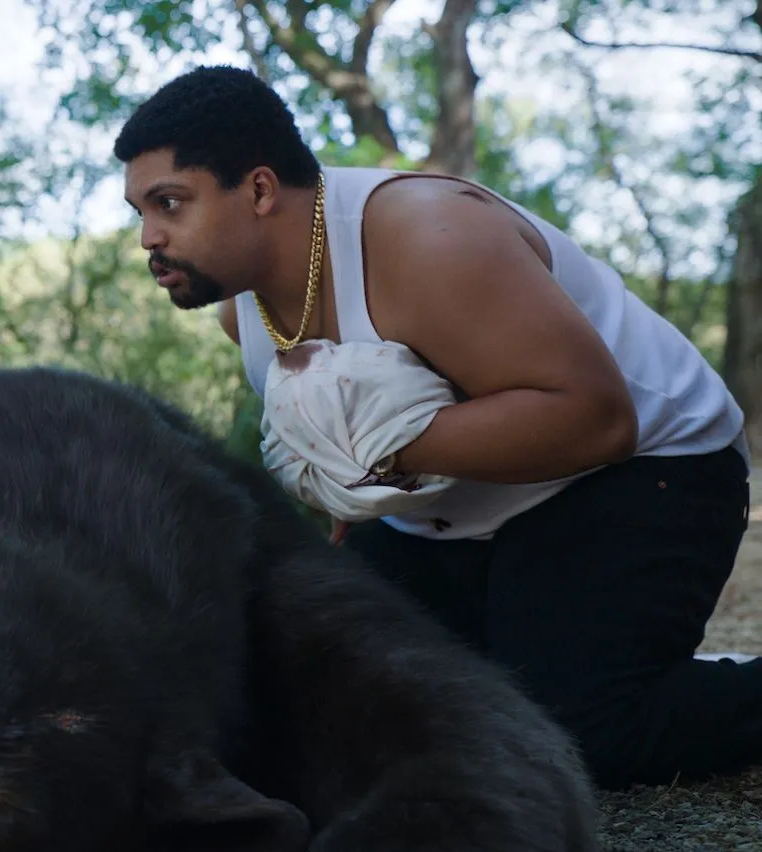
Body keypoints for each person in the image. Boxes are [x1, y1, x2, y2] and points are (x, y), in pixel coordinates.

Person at [110, 65, 762, 791]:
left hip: (643, 471)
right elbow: (342, 451)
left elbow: (597, 419)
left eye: (169, 204)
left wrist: (377, 449)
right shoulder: (245, 310)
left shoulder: (429, 236)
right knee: (307, 689)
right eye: (140, 210)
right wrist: (343, 503)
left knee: (583, 731)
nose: (148, 237)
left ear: (260, 190)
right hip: (451, 520)